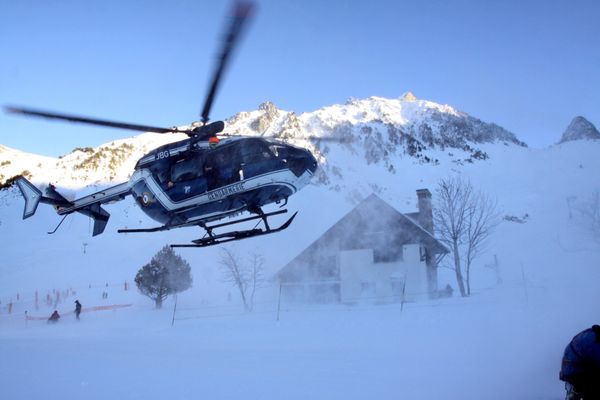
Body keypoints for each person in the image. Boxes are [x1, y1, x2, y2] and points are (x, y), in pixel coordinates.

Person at [560, 325, 600, 399]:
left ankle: (574, 391)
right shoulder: (595, 342)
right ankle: (575, 391)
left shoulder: (594, 334)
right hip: (575, 371)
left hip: (571, 367)